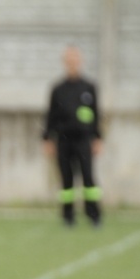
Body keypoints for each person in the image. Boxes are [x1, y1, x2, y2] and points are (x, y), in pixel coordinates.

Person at [42, 45, 103, 227]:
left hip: (83, 140)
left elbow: (96, 114)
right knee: (66, 180)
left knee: (88, 178)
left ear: (80, 61)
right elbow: (50, 115)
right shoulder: (58, 89)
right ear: (65, 62)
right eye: (69, 59)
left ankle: (94, 216)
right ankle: (68, 217)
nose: (72, 62)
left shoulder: (89, 87)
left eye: (75, 58)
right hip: (63, 140)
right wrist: (47, 139)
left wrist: (98, 137)